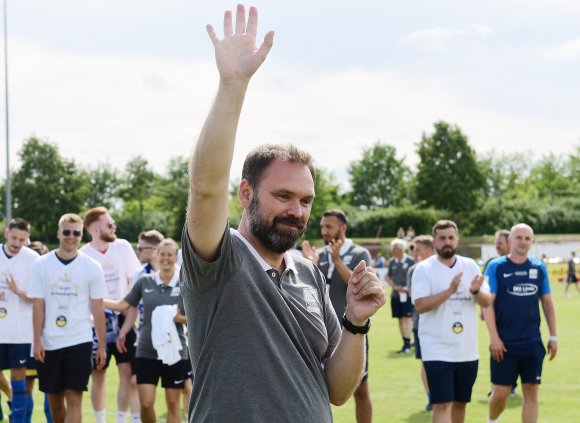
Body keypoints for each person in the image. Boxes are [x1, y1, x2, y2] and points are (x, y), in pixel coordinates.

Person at [180, 5, 386, 421]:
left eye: (306, 200)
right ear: (245, 193)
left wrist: (356, 322)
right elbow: (204, 189)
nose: (296, 210)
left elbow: (338, 390)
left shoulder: (308, 272)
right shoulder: (220, 260)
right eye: (284, 195)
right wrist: (232, 86)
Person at [27, 213, 107, 423]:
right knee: (54, 402)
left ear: (81, 235)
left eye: (76, 232)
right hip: (50, 341)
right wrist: (37, 341)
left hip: (79, 339)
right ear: (58, 233)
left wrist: (102, 345)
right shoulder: (41, 265)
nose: (71, 237)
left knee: (74, 398)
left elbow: (98, 308)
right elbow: (38, 305)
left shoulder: (92, 267)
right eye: (66, 232)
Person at [411, 220, 490, 423]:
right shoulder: (424, 269)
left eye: (451, 238)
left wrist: (474, 290)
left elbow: (486, 302)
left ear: (457, 239)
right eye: (442, 238)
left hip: (466, 350)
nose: (447, 242)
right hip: (436, 349)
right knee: (442, 404)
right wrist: (450, 291)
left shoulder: (470, 265)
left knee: (460, 404)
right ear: (435, 241)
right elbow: (420, 305)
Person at [104, 239, 189, 423]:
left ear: (176, 258)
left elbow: (193, 317)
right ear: (156, 256)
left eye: (170, 254)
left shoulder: (184, 282)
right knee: (146, 403)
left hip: (175, 351)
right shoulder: (145, 281)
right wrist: (97, 299)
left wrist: (177, 317)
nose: (166, 258)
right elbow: (122, 305)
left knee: (173, 403)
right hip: (146, 350)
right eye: (162, 254)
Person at [301, 209, 374, 423]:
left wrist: (338, 261)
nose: (324, 231)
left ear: (342, 228)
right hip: (319, 330)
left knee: (360, 389)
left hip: (351, 330)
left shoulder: (360, 253)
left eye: (329, 227)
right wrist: (311, 265)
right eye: (322, 227)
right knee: (316, 390)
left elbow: (361, 288)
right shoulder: (319, 255)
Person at [484, 223, 558, 423]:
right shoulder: (496, 267)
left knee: (532, 391)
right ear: (510, 240)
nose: (523, 242)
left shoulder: (538, 268)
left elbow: (548, 303)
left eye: (527, 238)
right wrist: (494, 338)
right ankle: (492, 420)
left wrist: (553, 336)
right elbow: (487, 305)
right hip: (504, 343)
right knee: (501, 393)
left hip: (532, 342)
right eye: (519, 237)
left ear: (531, 242)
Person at [80, 207, 142, 423]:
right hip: (96, 321)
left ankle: (122, 419)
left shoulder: (123, 246)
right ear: (95, 229)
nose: (113, 226)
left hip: (124, 318)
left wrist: (125, 311)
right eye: (109, 224)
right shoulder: (83, 255)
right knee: (99, 373)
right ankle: (100, 420)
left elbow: (135, 282)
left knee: (128, 374)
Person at [0, 218, 40, 423]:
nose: (17, 243)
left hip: (20, 331)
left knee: (19, 377)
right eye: (14, 238)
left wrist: (17, 291)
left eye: (22, 240)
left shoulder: (33, 259)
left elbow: (38, 298)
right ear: (7, 232)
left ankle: (19, 421)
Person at [407, 235, 435, 412]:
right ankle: (431, 397)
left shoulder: (443, 268)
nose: (415, 253)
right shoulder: (414, 270)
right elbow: (414, 297)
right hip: (421, 324)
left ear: (429, 248)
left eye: (418, 250)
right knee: (426, 362)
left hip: (443, 324)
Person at [386, 238, 416, 353]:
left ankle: (408, 344)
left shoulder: (411, 262)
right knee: (400, 319)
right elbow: (388, 277)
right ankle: (405, 343)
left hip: (408, 295)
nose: (393, 250)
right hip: (396, 295)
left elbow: (416, 277)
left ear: (401, 249)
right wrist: (394, 286)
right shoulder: (392, 262)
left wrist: (407, 288)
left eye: (395, 248)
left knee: (407, 318)